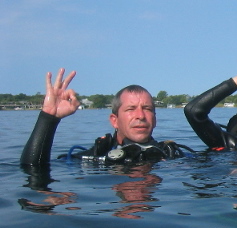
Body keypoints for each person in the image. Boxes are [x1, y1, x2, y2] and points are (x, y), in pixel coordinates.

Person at [20, 69, 187, 167]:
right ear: (114, 120)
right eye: (130, 109)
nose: (140, 116)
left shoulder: (172, 156)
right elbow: (32, 170)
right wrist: (48, 118)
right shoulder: (95, 158)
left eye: (147, 109)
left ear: (155, 120)